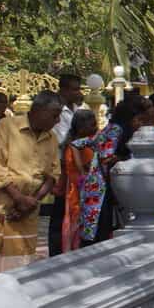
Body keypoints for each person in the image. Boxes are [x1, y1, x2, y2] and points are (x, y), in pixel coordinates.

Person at [0, 90, 63, 273]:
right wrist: (18, 198)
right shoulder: (6, 127)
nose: (58, 121)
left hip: (25, 215)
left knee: (17, 270)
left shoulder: (51, 138)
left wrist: (31, 202)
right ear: (39, 110)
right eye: (55, 116)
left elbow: (53, 174)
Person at [81, 94, 153, 245]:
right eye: (138, 120)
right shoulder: (115, 129)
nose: (139, 124)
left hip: (108, 186)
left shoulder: (121, 130)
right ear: (129, 118)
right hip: (98, 187)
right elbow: (106, 158)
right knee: (98, 230)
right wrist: (126, 160)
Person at [58, 109, 98, 254]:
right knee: (77, 230)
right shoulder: (76, 146)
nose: (96, 128)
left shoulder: (82, 144)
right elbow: (81, 171)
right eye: (93, 125)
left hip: (82, 192)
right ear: (81, 127)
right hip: (78, 194)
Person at [53, 73, 84, 144]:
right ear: (64, 90)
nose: (78, 93)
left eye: (79, 89)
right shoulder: (55, 110)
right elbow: (63, 141)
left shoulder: (78, 108)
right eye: (75, 89)